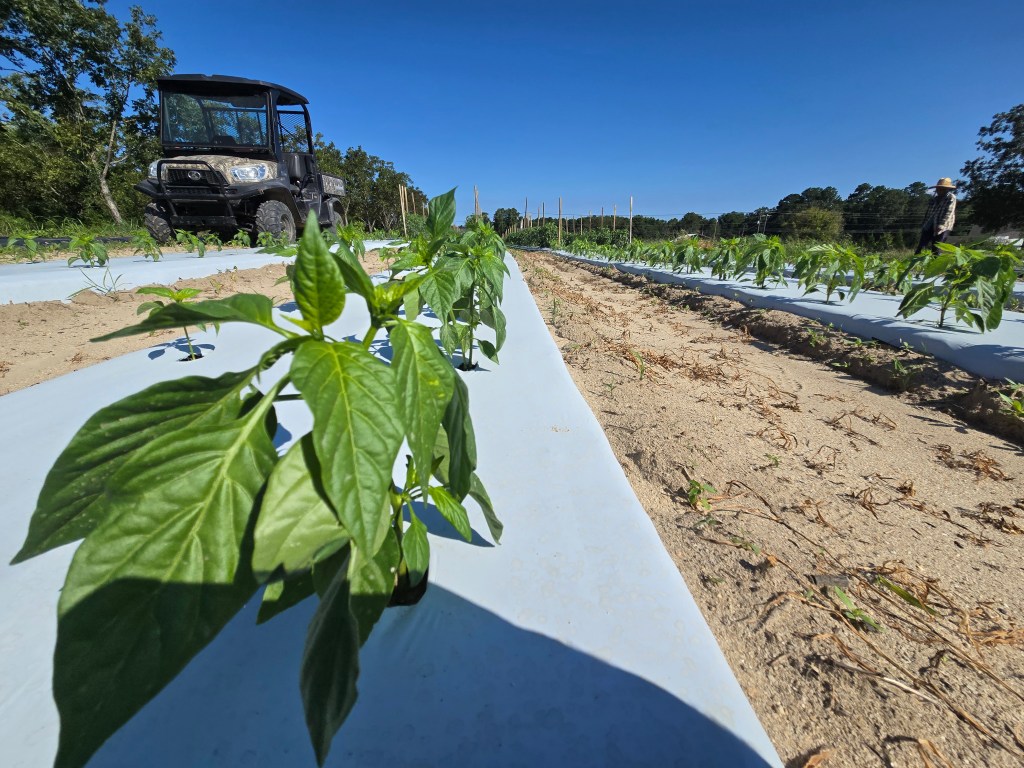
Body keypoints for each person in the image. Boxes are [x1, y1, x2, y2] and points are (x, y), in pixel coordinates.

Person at [915, 177, 957, 255]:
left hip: (943, 226)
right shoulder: (935, 198)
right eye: (938, 188)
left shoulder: (951, 197)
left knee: (937, 247)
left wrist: (941, 225)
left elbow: (948, 212)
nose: (939, 190)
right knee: (921, 246)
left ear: (947, 189)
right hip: (930, 223)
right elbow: (929, 212)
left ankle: (935, 261)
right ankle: (916, 260)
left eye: (941, 188)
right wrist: (924, 224)